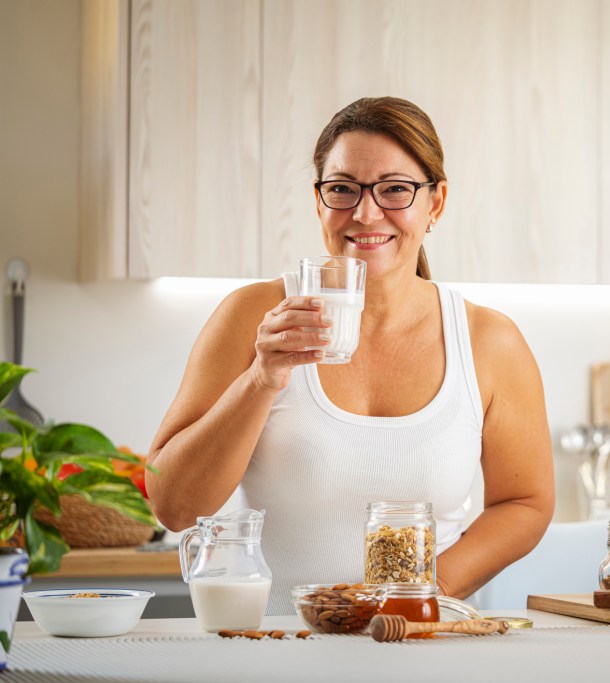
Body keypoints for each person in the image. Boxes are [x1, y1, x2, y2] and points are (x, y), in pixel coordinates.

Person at [147, 96, 555, 613]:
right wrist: (261, 378)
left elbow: (525, 504)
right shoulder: (252, 316)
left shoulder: (489, 341)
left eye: (395, 190)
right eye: (341, 189)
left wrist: (424, 595)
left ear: (436, 202)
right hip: (281, 648)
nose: (365, 213)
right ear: (319, 201)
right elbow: (175, 507)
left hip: (424, 643)